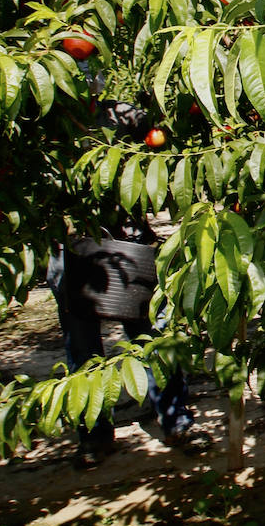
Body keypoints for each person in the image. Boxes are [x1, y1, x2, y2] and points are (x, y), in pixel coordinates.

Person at [47, 95, 197, 468]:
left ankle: (175, 420)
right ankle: (94, 436)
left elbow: (161, 149)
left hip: (124, 240)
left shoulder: (124, 114)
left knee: (153, 332)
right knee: (82, 347)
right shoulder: (45, 122)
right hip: (70, 244)